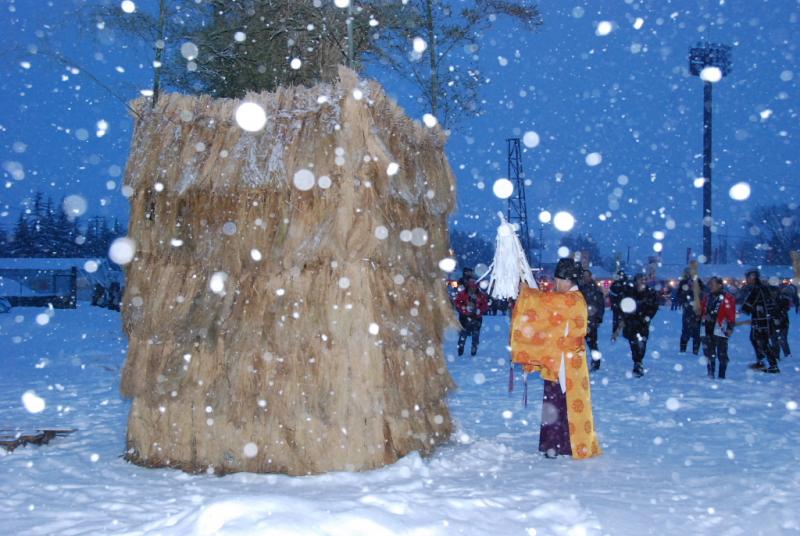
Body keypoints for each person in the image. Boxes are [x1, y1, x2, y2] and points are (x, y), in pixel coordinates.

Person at [510, 258, 601, 459]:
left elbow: (543, 303)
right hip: (562, 360)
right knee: (557, 402)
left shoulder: (572, 299)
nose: (555, 284)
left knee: (561, 403)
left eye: (558, 280)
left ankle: (560, 444)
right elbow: (547, 309)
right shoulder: (570, 298)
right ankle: (556, 444)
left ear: (567, 280)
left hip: (566, 362)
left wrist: (527, 291)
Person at [741, 269, 780, 373]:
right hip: (764, 320)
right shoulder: (763, 288)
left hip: (761, 321)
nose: (747, 280)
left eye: (748, 278)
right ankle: (762, 362)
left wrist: (743, 309)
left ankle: (771, 364)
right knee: (758, 340)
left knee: (762, 342)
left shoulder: (757, 289)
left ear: (753, 277)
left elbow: (748, 305)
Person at [621, 273, 659, 377]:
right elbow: (625, 304)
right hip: (632, 322)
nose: (642, 281)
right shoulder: (630, 292)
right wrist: (628, 315)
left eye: (644, 279)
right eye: (640, 279)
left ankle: (639, 361)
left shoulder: (650, 293)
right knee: (633, 344)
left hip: (643, 323)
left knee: (642, 344)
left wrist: (647, 316)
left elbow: (654, 306)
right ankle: (637, 362)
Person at [700, 277, 736, 379]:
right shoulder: (707, 297)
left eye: (713, 283)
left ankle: (721, 375)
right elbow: (702, 310)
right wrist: (701, 314)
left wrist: (730, 327)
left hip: (720, 328)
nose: (710, 286)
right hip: (707, 327)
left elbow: (731, 315)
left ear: (720, 285)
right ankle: (710, 373)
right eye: (710, 283)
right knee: (709, 353)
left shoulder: (728, 297)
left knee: (722, 353)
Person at [579, 269, 605, 371]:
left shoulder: (595, 289)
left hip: (591, 321)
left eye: (587, 276)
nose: (585, 278)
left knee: (592, 344)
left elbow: (600, 305)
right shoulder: (580, 289)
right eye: (584, 276)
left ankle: (596, 362)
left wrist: (598, 318)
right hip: (580, 321)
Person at [454, 280, 488, 356]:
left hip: (476, 317)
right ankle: (461, 348)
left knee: (475, 334)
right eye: (471, 287)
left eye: (474, 287)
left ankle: (473, 348)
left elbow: (485, 305)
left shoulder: (481, 295)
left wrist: (480, 310)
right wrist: (464, 308)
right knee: (463, 333)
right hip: (464, 317)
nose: (472, 289)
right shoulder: (463, 293)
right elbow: (457, 303)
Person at [677, 267, 703, 355]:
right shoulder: (683, 282)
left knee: (697, 331)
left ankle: (695, 351)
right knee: (686, 330)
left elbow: (703, 292)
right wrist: (685, 297)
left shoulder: (698, 281)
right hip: (688, 309)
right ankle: (682, 349)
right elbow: (679, 294)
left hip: (697, 310)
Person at [608, 270, 628, 338]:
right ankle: (615, 332)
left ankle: (623, 332)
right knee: (617, 320)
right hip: (617, 306)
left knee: (624, 319)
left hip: (623, 306)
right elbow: (611, 294)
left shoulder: (626, 284)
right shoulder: (615, 284)